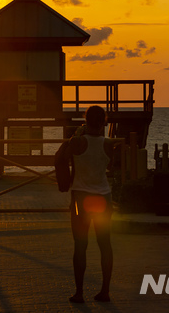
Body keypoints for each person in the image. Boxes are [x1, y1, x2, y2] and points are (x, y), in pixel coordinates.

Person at [66, 105, 116, 304]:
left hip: (81, 197)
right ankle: (105, 291)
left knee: (80, 245)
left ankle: (79, 293)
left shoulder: (77, 142)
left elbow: (63, 157)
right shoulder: (109, 144)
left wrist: (78, 134)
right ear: (104, 122)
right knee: (105, 244)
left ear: (85, 120)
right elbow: (110, 165)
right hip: (103, 197)